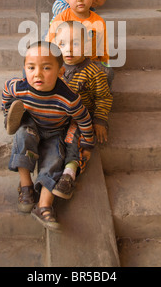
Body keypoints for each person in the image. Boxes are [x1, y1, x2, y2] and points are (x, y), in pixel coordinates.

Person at [1, 41, 95, 231]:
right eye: (31, 67)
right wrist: (6, 111)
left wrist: (86, 144)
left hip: (55, 131)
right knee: (22, 136)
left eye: (46, 68)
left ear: (60, 72)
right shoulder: (19, 87)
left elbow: (84, 119)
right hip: (31, 124)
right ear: (24, 68)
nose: (37, 74)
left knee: (54, 159)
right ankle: (26, 185)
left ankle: (44, 204)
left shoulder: (68, 98)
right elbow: (6, 90)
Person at [52, 21, 113, 199]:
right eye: (62, 44)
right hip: (57, 114)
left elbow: (104, 97)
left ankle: (69, 174)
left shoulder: (94, 72)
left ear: (87, 45)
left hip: (81, 118)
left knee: (73, 138)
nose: (68, 50)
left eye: (75, 43)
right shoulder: (55, 68)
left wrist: (100, 120)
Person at [46, 0, 109, 65]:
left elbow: (103, 49)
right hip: (66, 63)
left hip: (89, 65)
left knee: (109, 74)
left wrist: (104, 65)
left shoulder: (98, 22)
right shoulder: (61, 18)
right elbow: (50, 44)